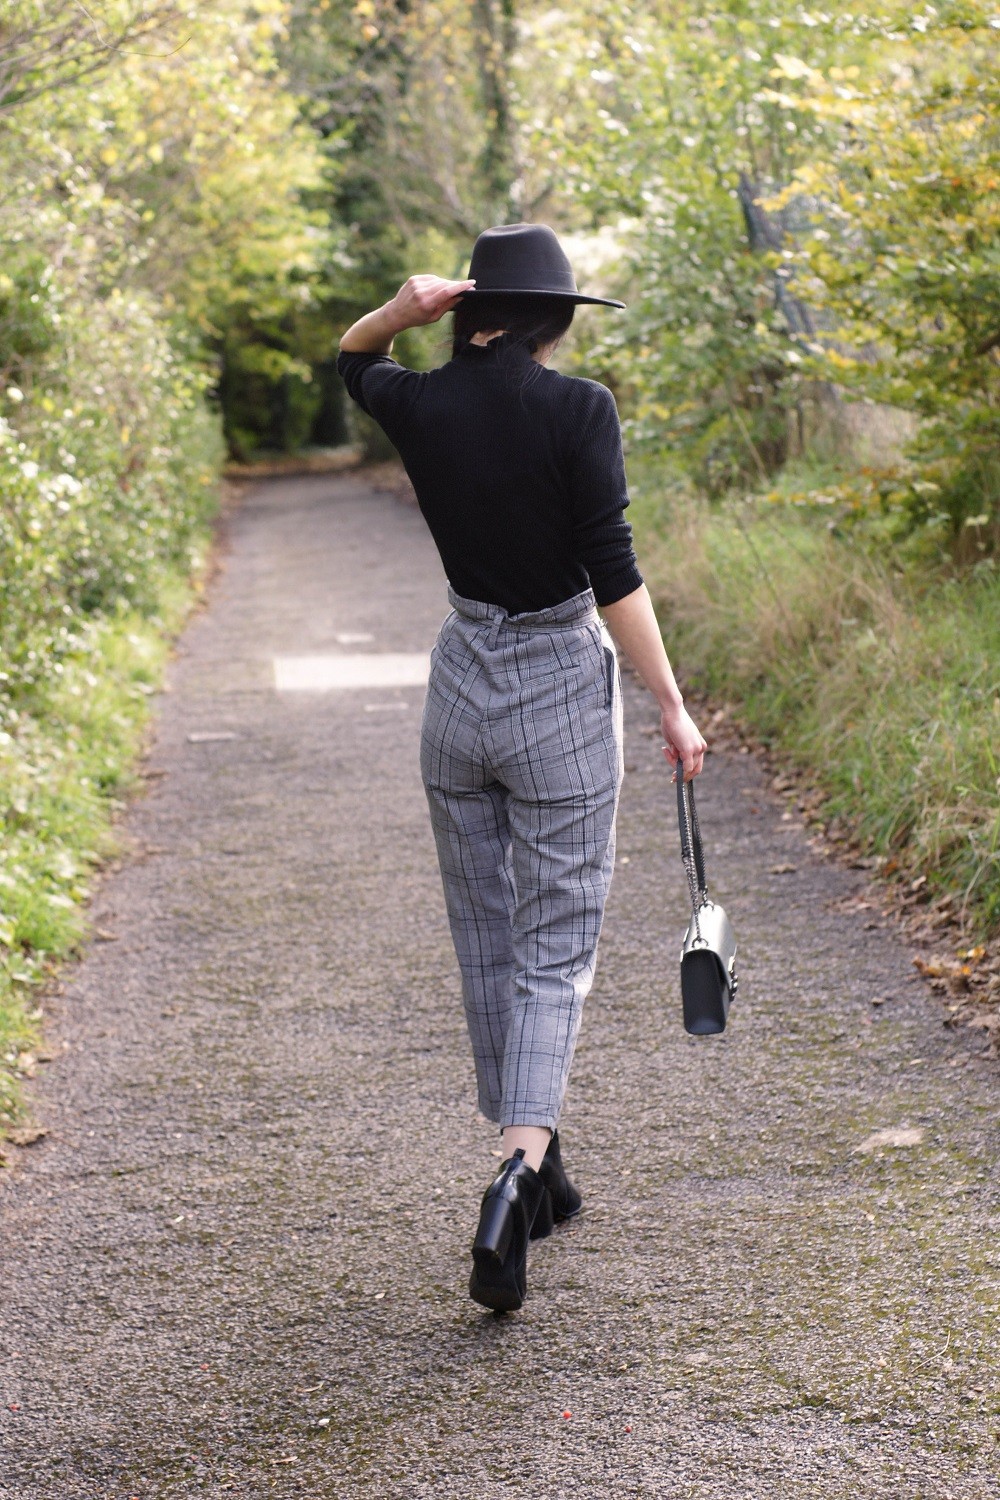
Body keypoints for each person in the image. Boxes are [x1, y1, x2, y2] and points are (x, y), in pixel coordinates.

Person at [337, 223, 706, 1313]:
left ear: (468, 310)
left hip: (458, 693)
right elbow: (612, 574)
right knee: (554, 953)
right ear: (553, 321)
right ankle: (514, 1170)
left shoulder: (423, 404)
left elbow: (354, 360)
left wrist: (403, 311)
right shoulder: (577, 408)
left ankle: (544, 1173)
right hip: (554, 695)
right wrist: (673, 707)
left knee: (488, 943)